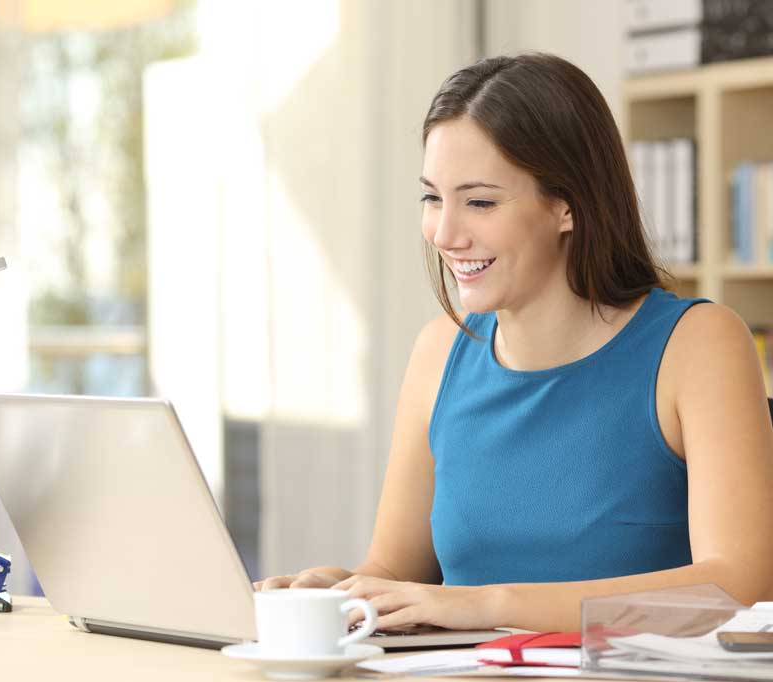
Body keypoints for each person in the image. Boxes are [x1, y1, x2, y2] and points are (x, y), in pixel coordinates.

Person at [254, 53, 773, 633]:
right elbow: (396, 569)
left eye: (479, 201)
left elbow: (736, 585)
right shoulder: (438, 351)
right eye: (432, 198)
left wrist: (485, 604)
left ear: (566, 205)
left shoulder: (698, 345)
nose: (445, 233)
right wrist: (344, 591)